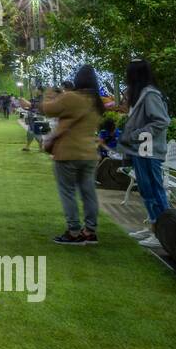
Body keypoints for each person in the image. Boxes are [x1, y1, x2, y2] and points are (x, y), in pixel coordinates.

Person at [44, 65, 104, 245]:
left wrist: (48, 94)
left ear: (78, 80)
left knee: (68, 192)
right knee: (89, 193)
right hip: (89, 154)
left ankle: (74, 232)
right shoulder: (97, 102)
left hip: (68, 153)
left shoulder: (72, 97)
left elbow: (48, 109)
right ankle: (90, 231)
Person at [118, 59, 171, 248]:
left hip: (148, 148)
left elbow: (161, 121)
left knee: (154, 191)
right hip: (143, 148)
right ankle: (154, 226)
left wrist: (136, 135)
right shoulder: (142, 94)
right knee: (147, 190)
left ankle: (164, 233)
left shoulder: (150, 95)